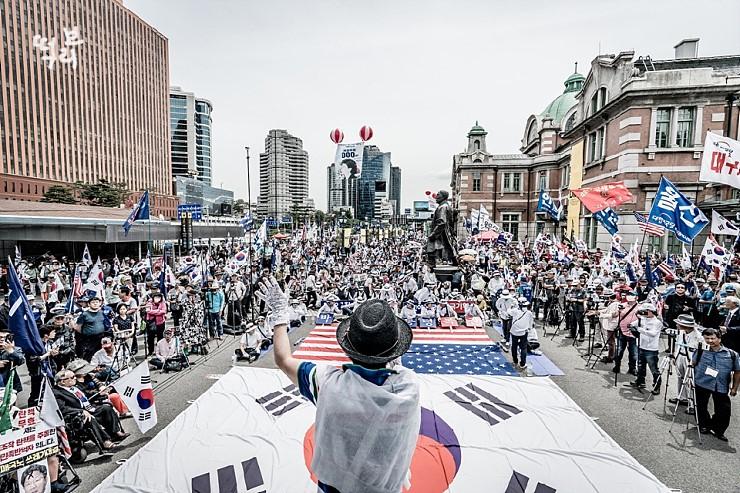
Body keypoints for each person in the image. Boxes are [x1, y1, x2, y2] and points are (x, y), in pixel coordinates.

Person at [261, 277, 420, 493]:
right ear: (394, 352)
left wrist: (280, 315)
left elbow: (283, 359)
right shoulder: (408, 388)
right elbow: (397, 371)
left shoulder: (328, 383)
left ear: (348, 347)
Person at [52, 369, 128, 451]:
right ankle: (105, 441)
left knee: (106, 408)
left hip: (90, 408)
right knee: (89, 418)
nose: (75, 378)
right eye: (72, 377)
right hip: (75, 415)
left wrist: (100, 393)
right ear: (63, 381)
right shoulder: (57, 392)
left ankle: (115, 433)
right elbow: (63, 408)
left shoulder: (75, 387)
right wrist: (81, 411)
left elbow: (87, 395)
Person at [692, 328, 740, 442]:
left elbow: (738, 372)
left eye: (713, 338)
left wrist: (734, 388)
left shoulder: (732, 354)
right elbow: (692, 364)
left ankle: (718, 430)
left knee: (724, 410)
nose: (710, 341)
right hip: (701, 383)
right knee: (700, 406)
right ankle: (704, 425)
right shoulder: (700, 350)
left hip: (721, 386)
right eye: (707, 338)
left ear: (719, 338)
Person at [629, 302, 664, 394]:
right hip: (641, 346)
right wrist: (632, 327)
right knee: (640, 366)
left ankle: (657, 385)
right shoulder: (642, 319)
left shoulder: (657, 322)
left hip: (651, 349)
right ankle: (640, 381)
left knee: (653, 368)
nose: (644, 313)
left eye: (646, 311)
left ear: (652, 311)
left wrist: (640, 330)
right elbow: (632, 324)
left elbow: (653, 334)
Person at [669, 314, 702, 407]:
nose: (676, 325)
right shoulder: (681, 333)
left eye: (678, 324)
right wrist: (675, 357)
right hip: (680, 357)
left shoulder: (698, 337)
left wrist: (695, 362)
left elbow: (700, 352)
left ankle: (692, 404)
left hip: (691, 360)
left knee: (690, 381)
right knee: (680, 378)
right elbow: (678, 345)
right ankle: (682, 397)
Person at [74, 295, 109, 361]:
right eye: (93, 302)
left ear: (100, 303)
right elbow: (78, 328)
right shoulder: (84, 314)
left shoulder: (102, 313)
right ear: (89, 304)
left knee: (100, 355)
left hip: (100, 337)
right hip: (89, 340)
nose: (95, 303)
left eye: (97, 302)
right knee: (90, 357)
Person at [509, 298, 533, 370]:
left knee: (514, 346)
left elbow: (508, 311)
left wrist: (512, 306)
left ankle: (515, 361)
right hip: (523, 332)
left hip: (514, 332)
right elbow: (530, 323)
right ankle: (522, 363)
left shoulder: (515, 311)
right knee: (523, 348)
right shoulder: (529, 313)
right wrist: (529, 329)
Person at [144, 291, 167, 355]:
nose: (157, 298)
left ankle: (160, 351)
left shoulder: (162, 303)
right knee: (150, 338)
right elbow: (148, 311)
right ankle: (151, 351)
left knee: (160, 337)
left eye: (159, 297)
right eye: (156, 297)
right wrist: (158, 311)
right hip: (151, 323)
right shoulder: (149, 302)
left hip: (160, 323)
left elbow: (164, 311)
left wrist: (153, 311)